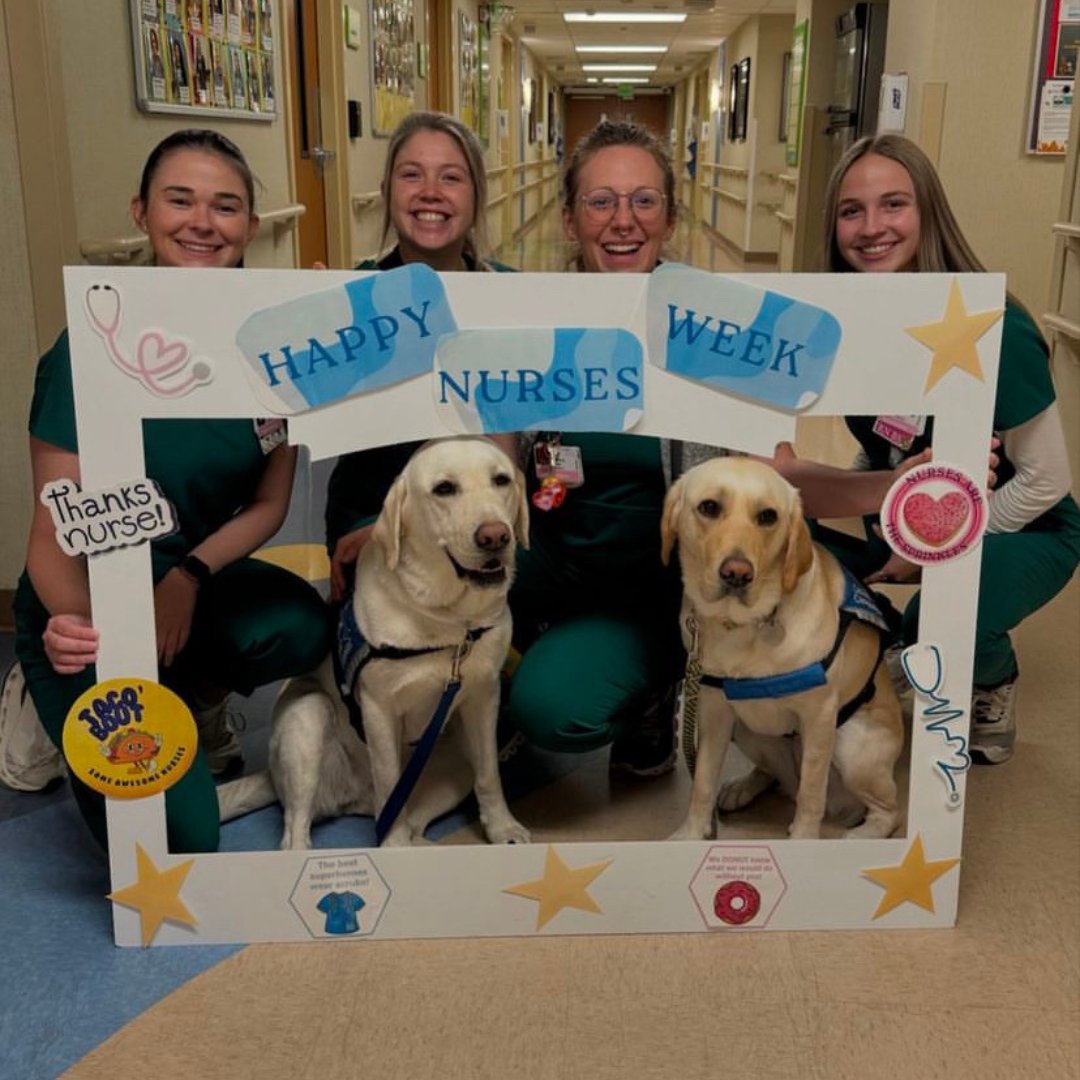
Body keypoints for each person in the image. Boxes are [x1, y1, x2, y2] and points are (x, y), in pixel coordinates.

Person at [5, 130, 333, 851]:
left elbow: (271, 506)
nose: (202, 223)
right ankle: (43, 692)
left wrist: (186, 578)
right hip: (82, 603)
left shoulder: (272, 347)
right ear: (142, 213)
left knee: (301, 625)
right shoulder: (88, 347)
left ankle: (189, 692)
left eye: (226, 206)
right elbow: (54, 537)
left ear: (251, 224)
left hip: (190, 575)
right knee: (177, 838)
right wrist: (97, 639)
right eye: (179, 201)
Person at [785, 133, 1080, 764]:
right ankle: (885, 641)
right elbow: (879, 452)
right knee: (782, 529)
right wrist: (881, 521)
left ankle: (991, 678)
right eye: (851, 211)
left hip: (1025, 527)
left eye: (894, 205)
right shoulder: (858, 324)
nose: (871, 228)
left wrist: (933, 552)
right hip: (913, 513)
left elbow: (1044, 480)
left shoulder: (995, 323)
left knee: (948, 610)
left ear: (928, 213)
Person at [504, 119, 697, 775]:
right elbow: (499, 462)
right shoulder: (532, 317)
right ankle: (527, 653)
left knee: (555, 710)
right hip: (554, 555)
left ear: (669, 220)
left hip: (655, 584)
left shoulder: (710, 328)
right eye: (600, 201)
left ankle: (649, 689)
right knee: (423, 589)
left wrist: (884, 486)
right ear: (568, 218)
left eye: (644, 200)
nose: (624, 221)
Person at [324, 110, 514, 602]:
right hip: (372, 508)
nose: (431, 191)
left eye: (451, 177)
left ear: (475, 196)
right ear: (387, 191)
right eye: (412, 175)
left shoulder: (515, 294)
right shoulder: (352, 293)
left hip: (490, 507)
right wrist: (315, 324)